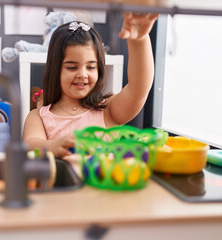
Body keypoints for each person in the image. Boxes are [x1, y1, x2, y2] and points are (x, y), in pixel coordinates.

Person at [22, 12, 159, 159]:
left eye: (91, 67)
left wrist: (139, 39)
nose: (83, 74)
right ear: (55, 69)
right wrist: (56, 145)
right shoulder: (38, 117)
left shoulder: (108, 110)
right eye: (72, 67)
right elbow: (29, 145)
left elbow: (139, 87)